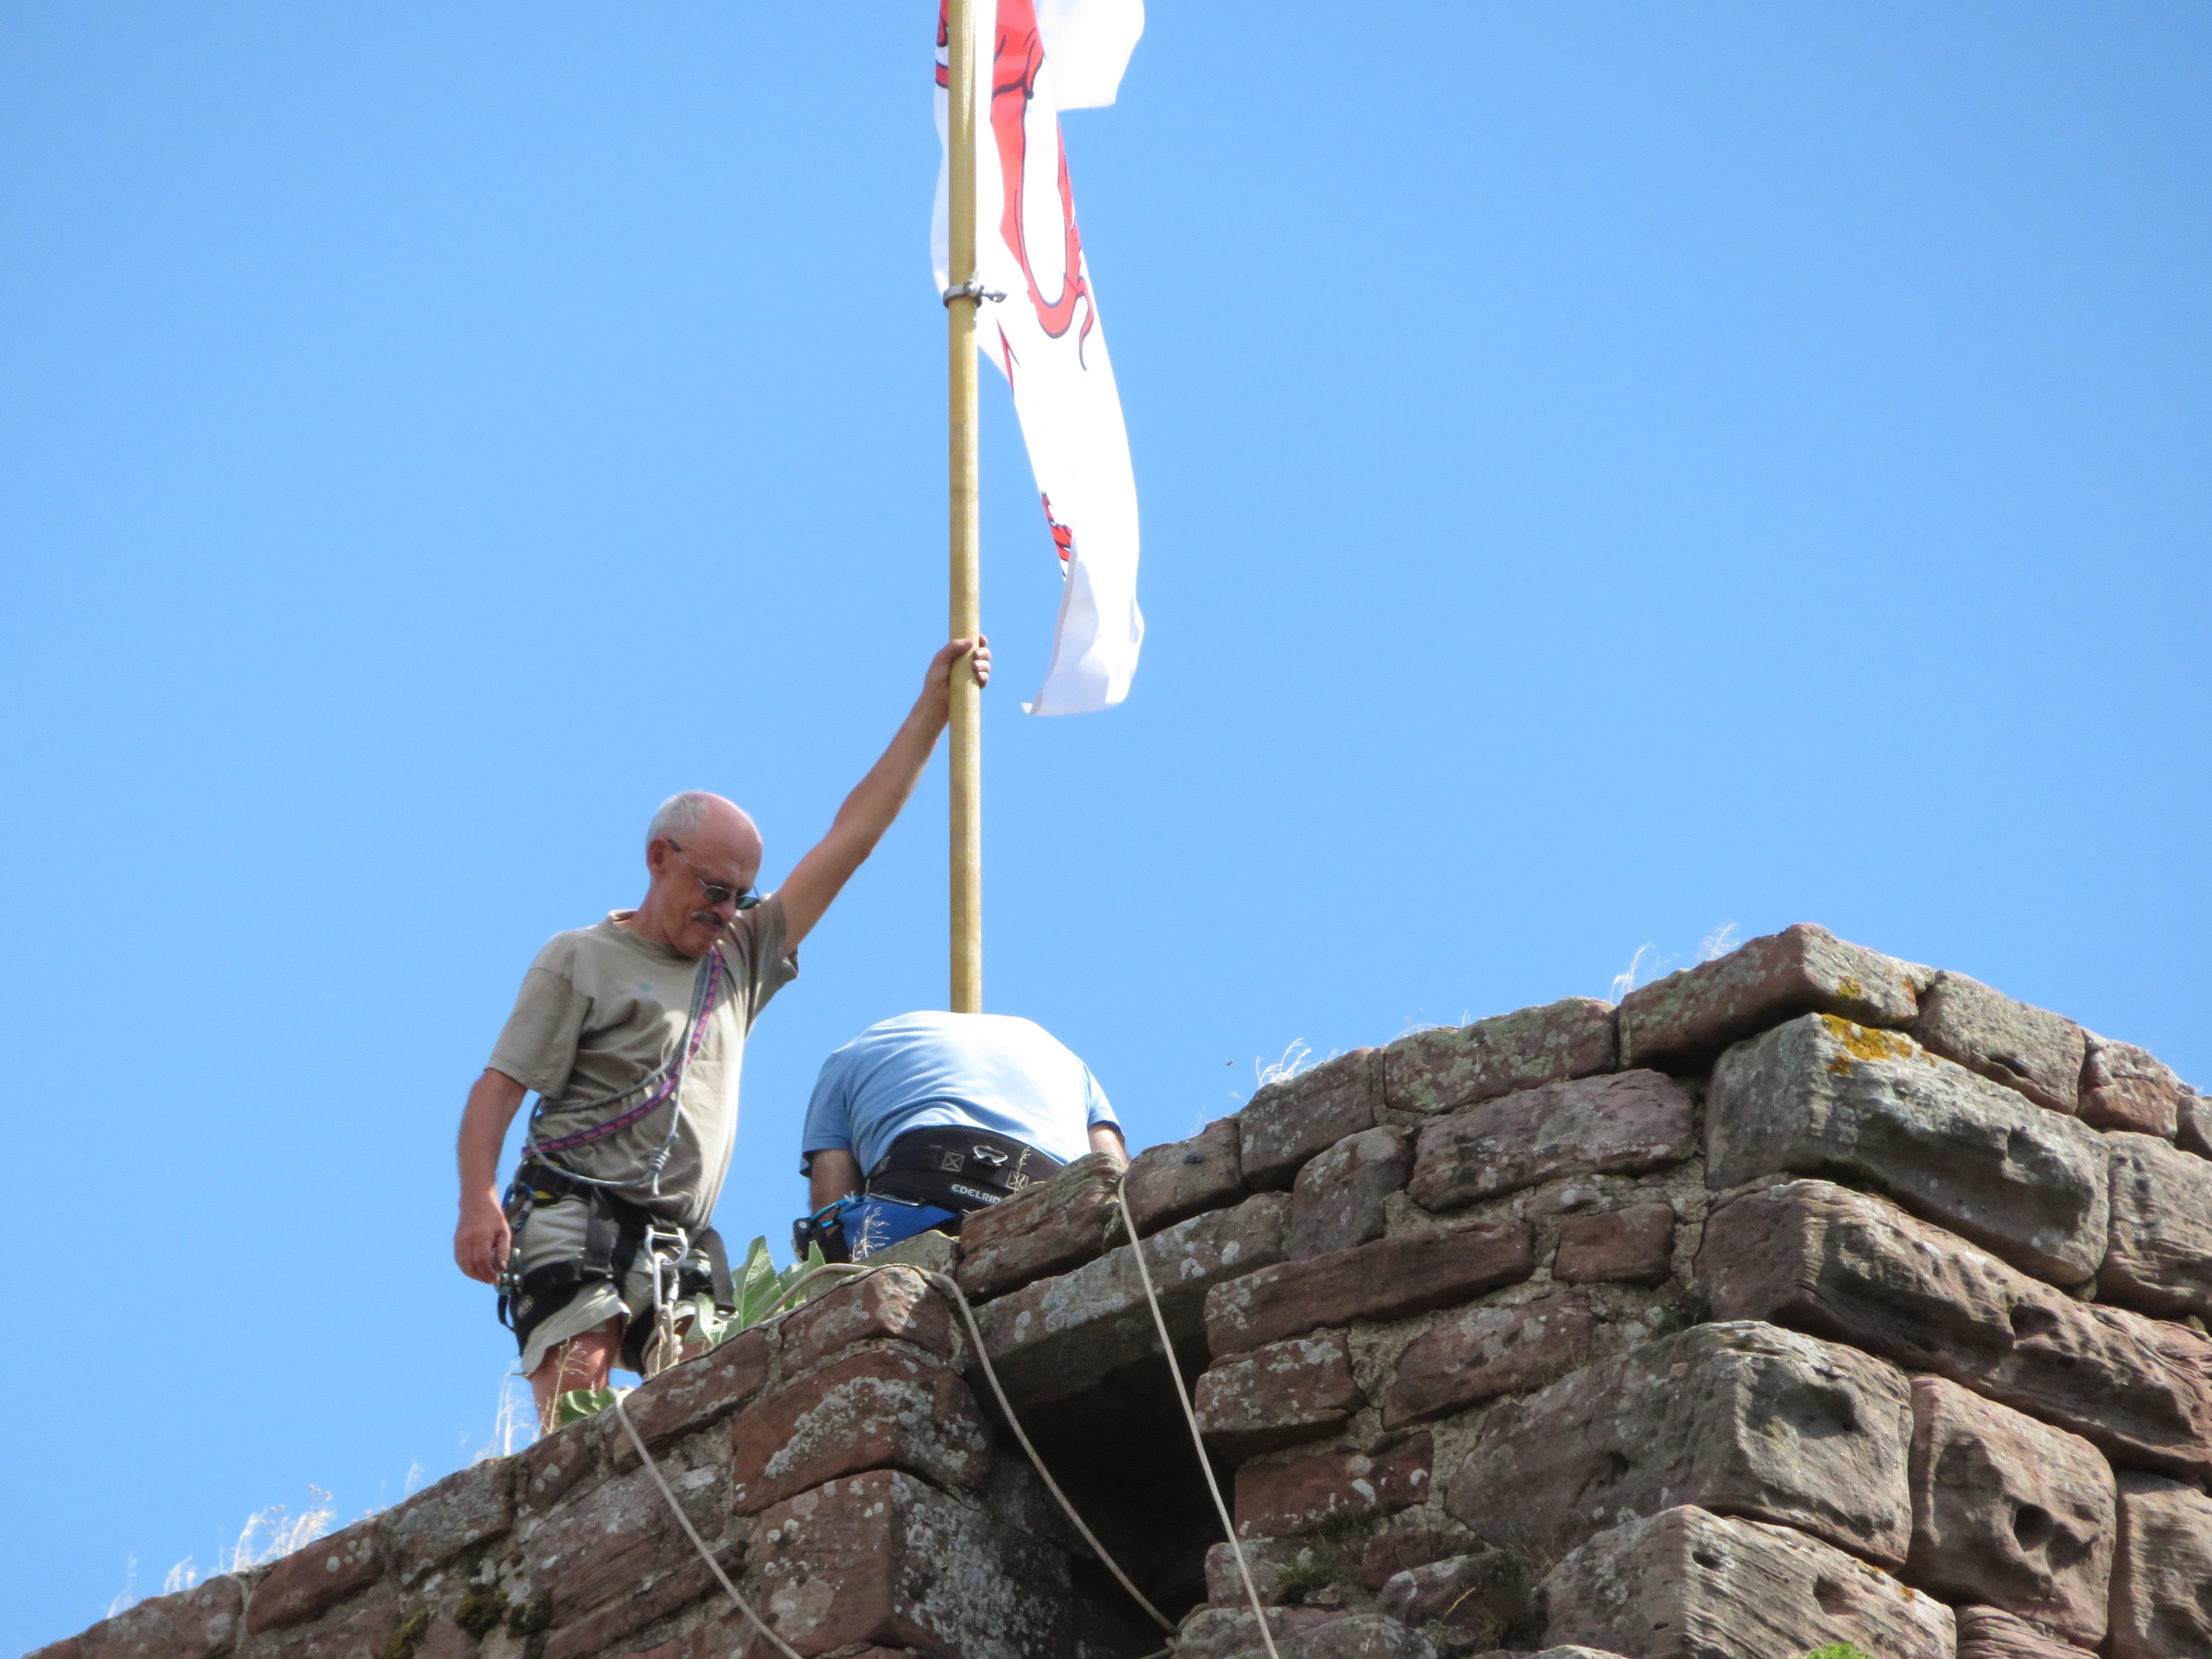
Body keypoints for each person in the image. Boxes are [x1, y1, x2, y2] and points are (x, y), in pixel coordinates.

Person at [451, 637, 990, 1424]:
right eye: (712, 888)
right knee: (580, 1391)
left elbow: (851, 842)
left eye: (742, 895)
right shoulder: (581, 958)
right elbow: (498, 1089)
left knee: (704, 1405)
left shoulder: (739, 958)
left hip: (678, 1237)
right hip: (573, 1206)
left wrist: (932, 711)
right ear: (658, 857)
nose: (726, 910)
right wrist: (477, 1201)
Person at [796, 1010, 1126, 1261]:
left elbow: (830, 1207)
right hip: (1049, 1209)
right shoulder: (1064, 1058)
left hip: (914, 1201)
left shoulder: (853, 1053)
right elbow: (1116, 1176)